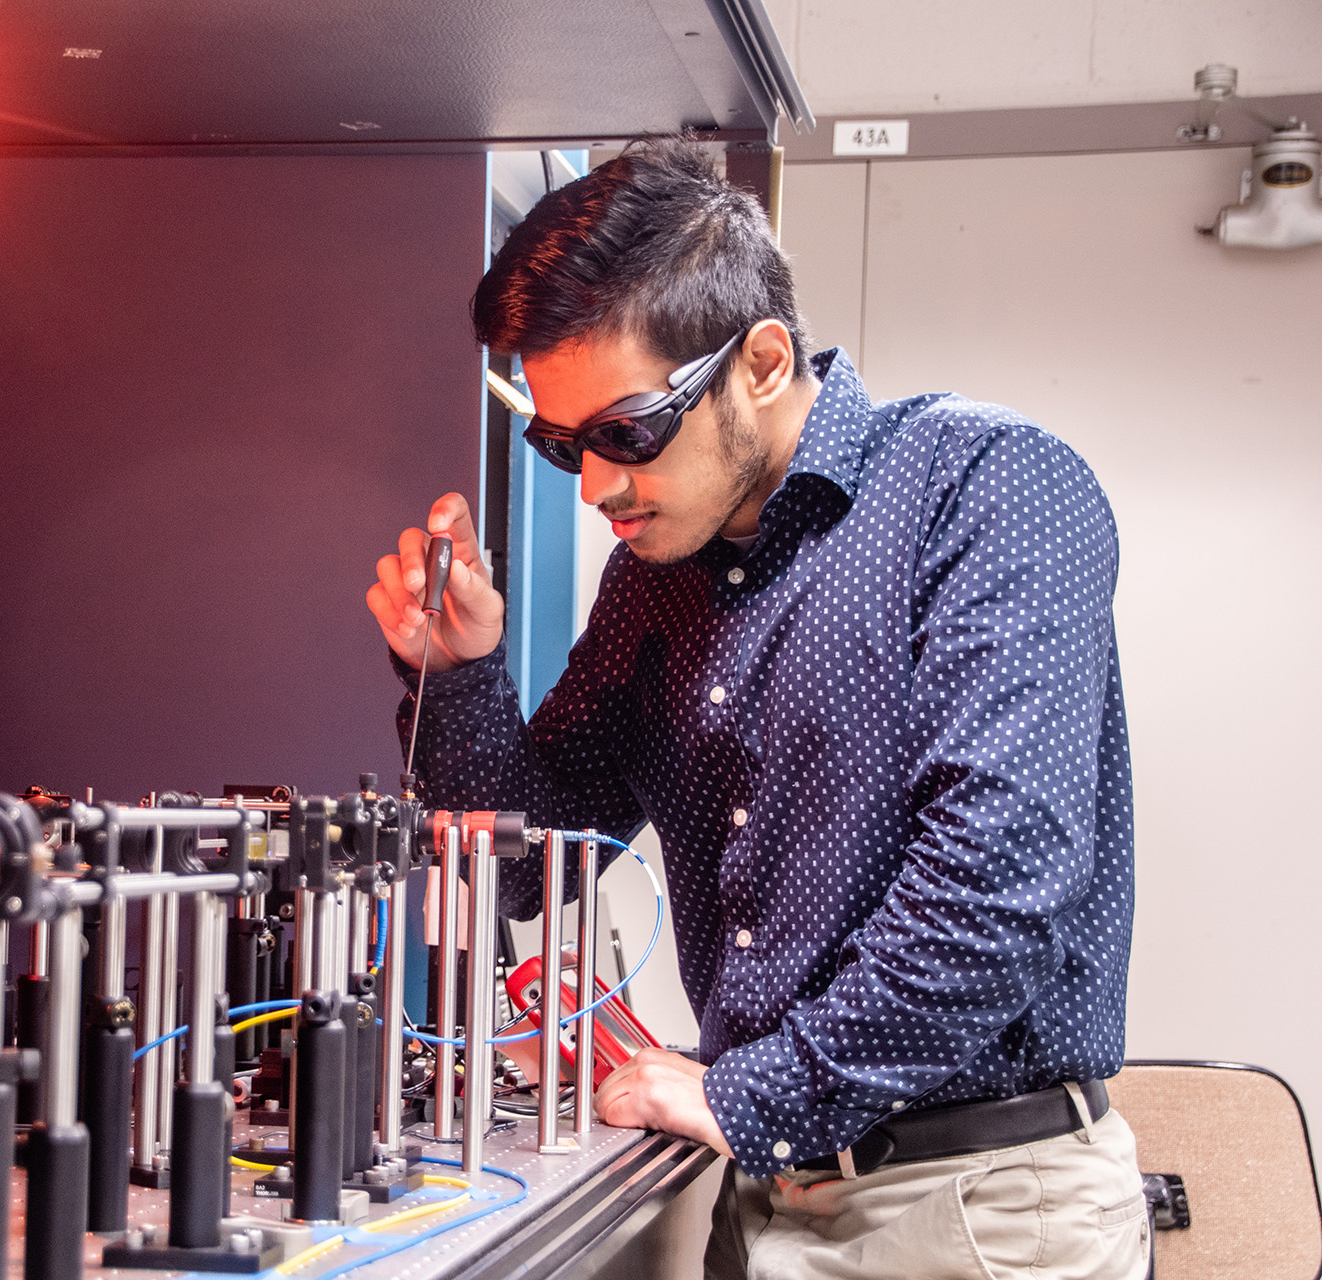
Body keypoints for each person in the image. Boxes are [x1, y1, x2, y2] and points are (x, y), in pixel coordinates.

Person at [365, 136, 1145, 1280]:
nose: (595, 487)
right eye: (560, 443)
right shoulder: (654, 574)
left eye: (626, 432)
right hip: (764, 1186)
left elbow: (997, 886)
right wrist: (463, 670)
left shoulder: (987, 487)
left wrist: (754, 1091)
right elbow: (530, 863)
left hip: (974, 1205)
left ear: (764, 360)